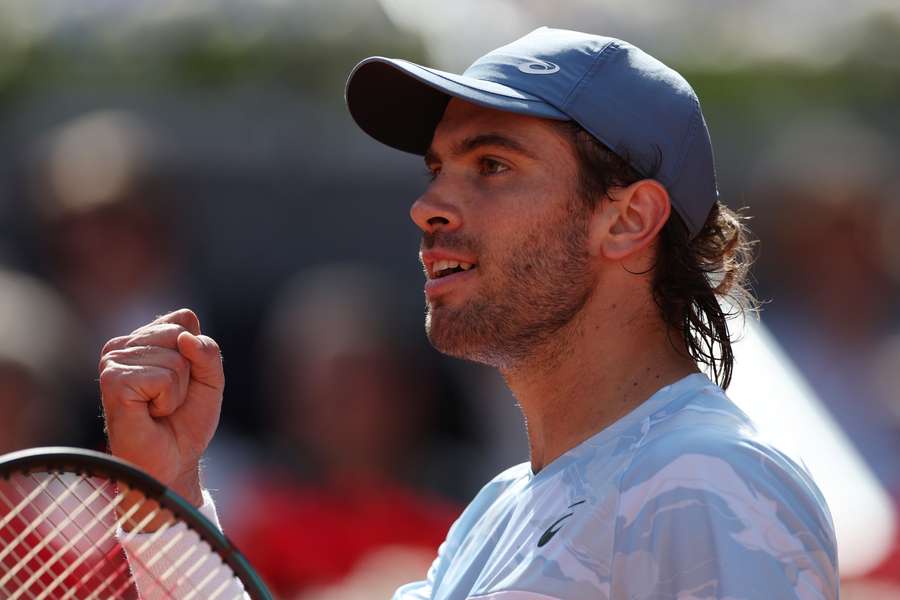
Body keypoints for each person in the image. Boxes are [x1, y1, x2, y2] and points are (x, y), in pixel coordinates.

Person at [99, 28, 838, 599]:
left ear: (626, 220)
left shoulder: (710, 477)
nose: (427, 206)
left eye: (491, 166)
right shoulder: (497, 511)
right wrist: (168, 495)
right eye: (436, 170)